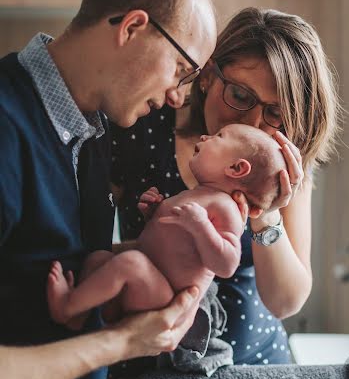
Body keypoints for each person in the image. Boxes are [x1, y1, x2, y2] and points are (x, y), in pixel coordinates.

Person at [0, 0, 217, 379]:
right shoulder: (6, 130)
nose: (175, 97)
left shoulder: (92, 137)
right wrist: (127, 342)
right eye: (181, 70)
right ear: (134, 28)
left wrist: (160, 270)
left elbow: (45, 267)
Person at [110, 7, 340, 371]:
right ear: (207, 77)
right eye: (240, 95)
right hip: (149, 360)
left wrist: (267, 212)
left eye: (276, 113)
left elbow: (285, 301)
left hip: (255, 365)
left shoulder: (283, 166)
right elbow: (89, 245)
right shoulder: (144, 126)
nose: (252, 122)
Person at [47, 125, 286, 326]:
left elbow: (226, 265)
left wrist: (200, 226)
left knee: (130, 263)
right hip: (145, 280)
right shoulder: (195, 194)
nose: (205, 137)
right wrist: (152, 213)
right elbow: (166, 238)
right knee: (98, 258)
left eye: (219, 137)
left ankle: (68, 306)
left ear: (236, 168)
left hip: (165, 296)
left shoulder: (226, 208)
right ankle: (81, 314)